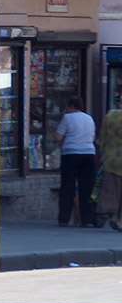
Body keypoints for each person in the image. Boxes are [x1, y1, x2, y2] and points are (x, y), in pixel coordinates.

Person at [54, 95, 97, 227]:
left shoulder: (67, 118)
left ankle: (64, 219)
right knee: (86, 188)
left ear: (72, 106)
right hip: (89, 154)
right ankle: (87, 219)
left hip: (71, 153)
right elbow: (93, 136)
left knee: (68, 186)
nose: (66, 109)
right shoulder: (89, 118)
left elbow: (58, 137)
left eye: (67, 107)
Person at [96, 108, 122, 232]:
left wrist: (103, 152)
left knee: (112, 189)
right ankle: (118, 219)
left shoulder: (110, 115)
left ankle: (110, 214)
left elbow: (102, 137)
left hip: (111, 159)